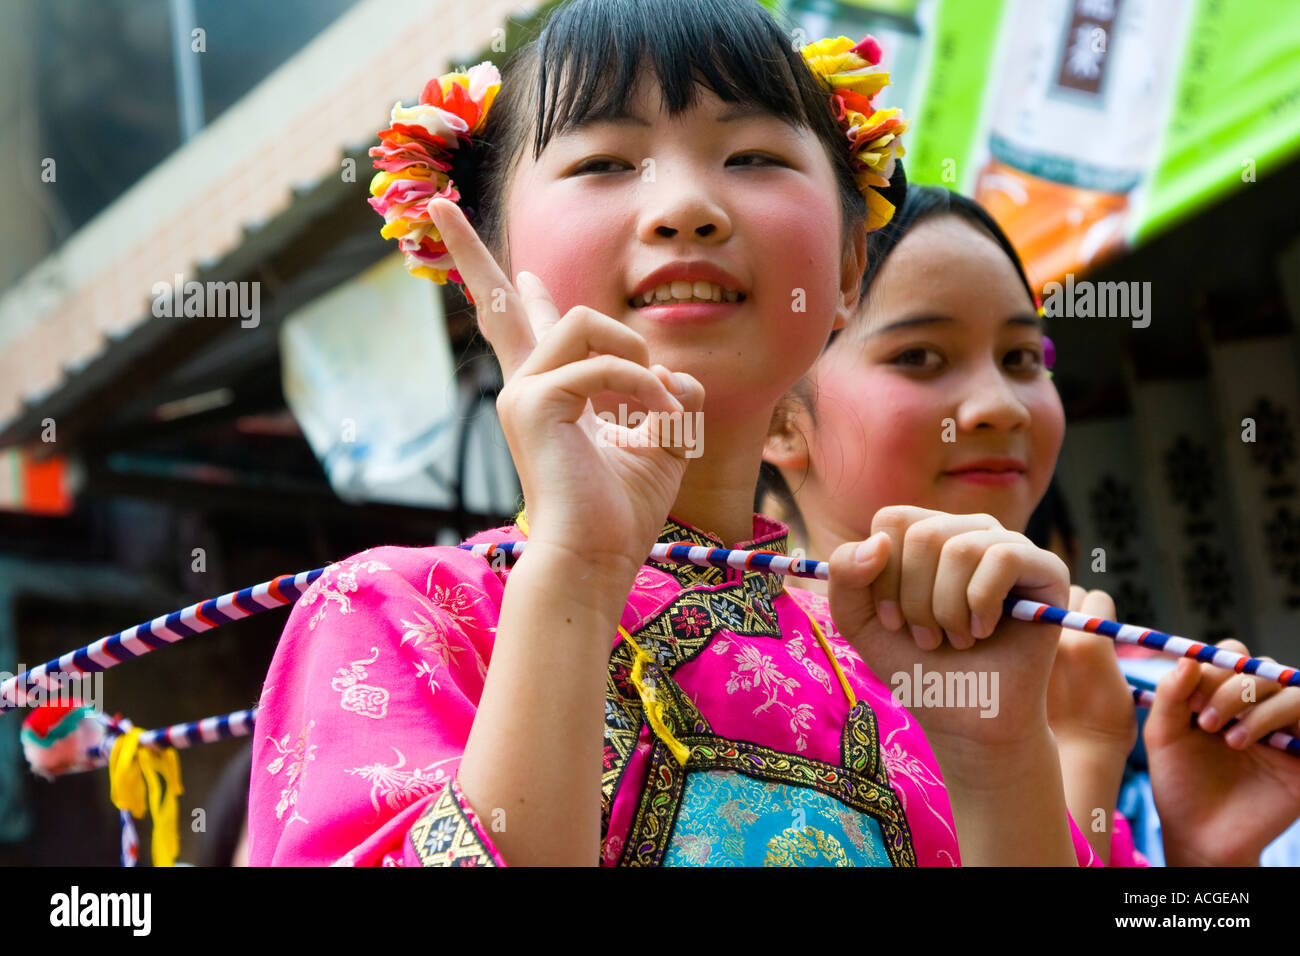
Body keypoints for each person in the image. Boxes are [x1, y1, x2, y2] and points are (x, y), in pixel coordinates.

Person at [250, 0, 1092, 867]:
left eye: (754, 156)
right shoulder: (406, 617)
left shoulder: (916, 661)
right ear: (486, 270)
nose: (686, 208)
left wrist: (999, 759)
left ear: (848, 269)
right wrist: (575, 574)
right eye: (605, 161)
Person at [760, 184, 1300, 866]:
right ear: (780, 418)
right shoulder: (749, 685)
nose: (1001, 406)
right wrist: (1076, 759)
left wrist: (1209, 857)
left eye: (1021, 358)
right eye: (920, 356)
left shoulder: (1090, 671)